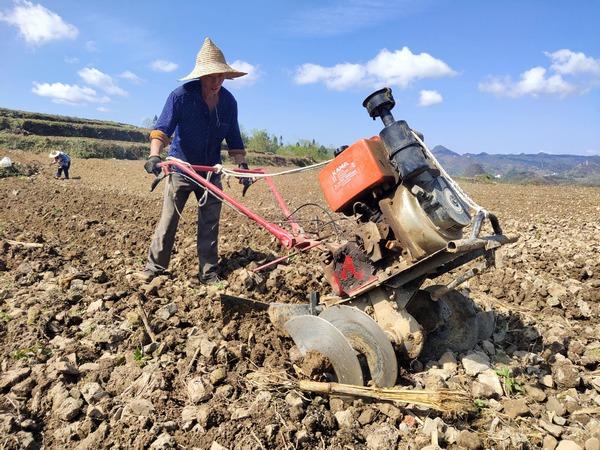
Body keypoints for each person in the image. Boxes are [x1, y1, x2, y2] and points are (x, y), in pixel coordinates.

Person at [136, 37, 251, 285]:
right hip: (181, 167)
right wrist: (154, 156)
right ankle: (154, 267)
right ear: (200, 76)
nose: (217, 82)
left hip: (211, 170)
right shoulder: (180, 97)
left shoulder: (229, 102)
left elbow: (234, 139)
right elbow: (161, 131)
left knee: (210, 223)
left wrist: (242, 166)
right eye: (211, 77)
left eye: (221, 76)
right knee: (169, 219)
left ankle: (208, 273)